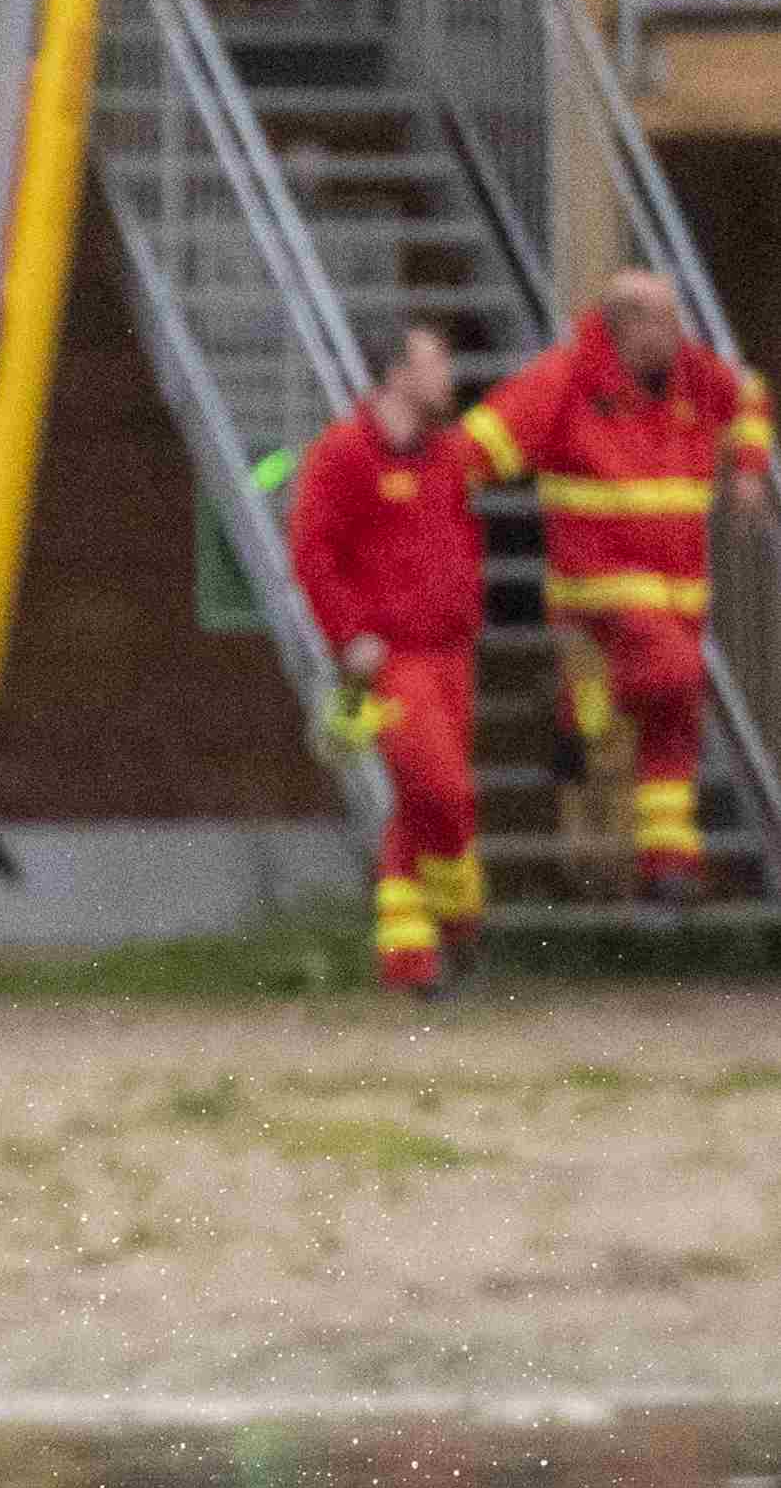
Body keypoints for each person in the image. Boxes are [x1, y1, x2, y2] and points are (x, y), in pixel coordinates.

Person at [460, 269, 778, 906]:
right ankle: (586, 695)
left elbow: (751, 397)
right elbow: (480, 445)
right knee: (677, 675)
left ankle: (667, 867)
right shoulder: (565, 377)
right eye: (663, 319)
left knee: (676, 721)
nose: (678, 332)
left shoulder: (693, 373)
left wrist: (748, 469)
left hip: (680, 595)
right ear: (625, 324)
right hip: (599, 596)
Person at [289, 319, 490, 991]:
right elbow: (311, 551)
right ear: (397, 375)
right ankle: (459, 918)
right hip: (393, 661)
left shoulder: (447, 455)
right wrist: (349, 636)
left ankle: (409, 961)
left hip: (452, 651)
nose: (447, 376)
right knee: (442, 789)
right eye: (434, 363)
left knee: (419, 805)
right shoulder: (344, 452)